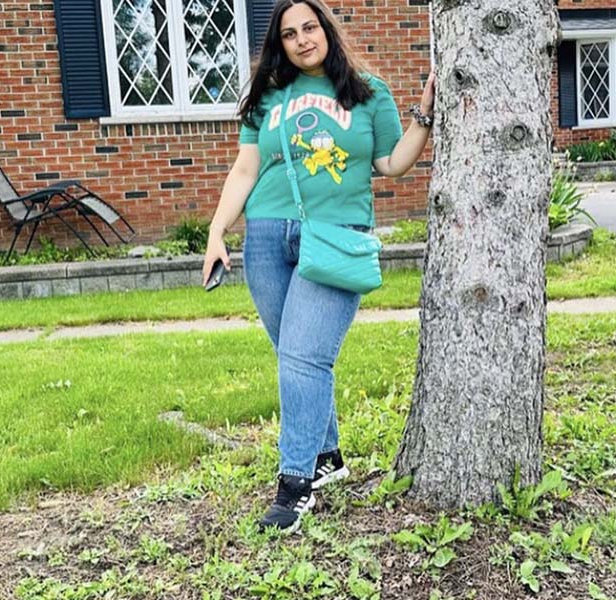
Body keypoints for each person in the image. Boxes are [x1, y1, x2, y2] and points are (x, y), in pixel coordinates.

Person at [202, 0, 435, 533]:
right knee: (292, 354)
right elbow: (245, 169)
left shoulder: (369, 92)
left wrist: (423, 116)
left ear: (327, 30)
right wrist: (217, 232)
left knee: (304, 356)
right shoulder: (268, 95)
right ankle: (327, 456)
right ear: (279, 44)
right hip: (266, 236)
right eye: (289, 34)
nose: (302, 39)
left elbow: (392, 163)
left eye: (309, 27)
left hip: (335, 235)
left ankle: (294, 484)